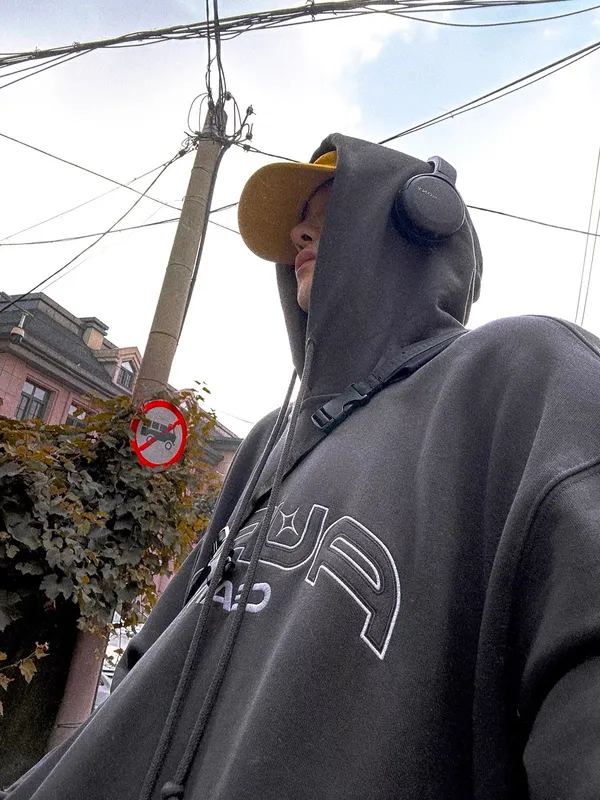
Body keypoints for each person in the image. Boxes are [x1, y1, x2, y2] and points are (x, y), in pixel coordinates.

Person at [5, 132, 600, 799]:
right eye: (299, 222)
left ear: (421, 220)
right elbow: (144, 681)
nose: (298, 234)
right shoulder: (268, 443)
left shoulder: (524, 377)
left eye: (328, 210)